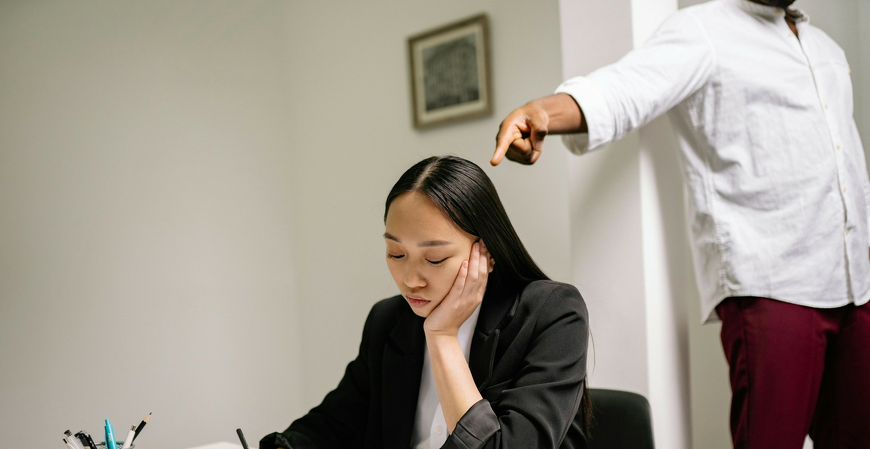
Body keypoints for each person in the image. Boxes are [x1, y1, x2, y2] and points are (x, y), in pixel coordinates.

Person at [491, 0, 870, 448]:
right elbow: (624, 88)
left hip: (855, 283)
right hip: (772, 280)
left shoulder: (826, 48)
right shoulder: (704, 31)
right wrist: (543, 114)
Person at [259, 155, 590, 449]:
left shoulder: (553, 312)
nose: (410, 280)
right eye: (396, 253)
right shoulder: (388, 319)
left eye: (434, 259)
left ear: (487, 252)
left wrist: (443, 336)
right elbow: (335, 424)